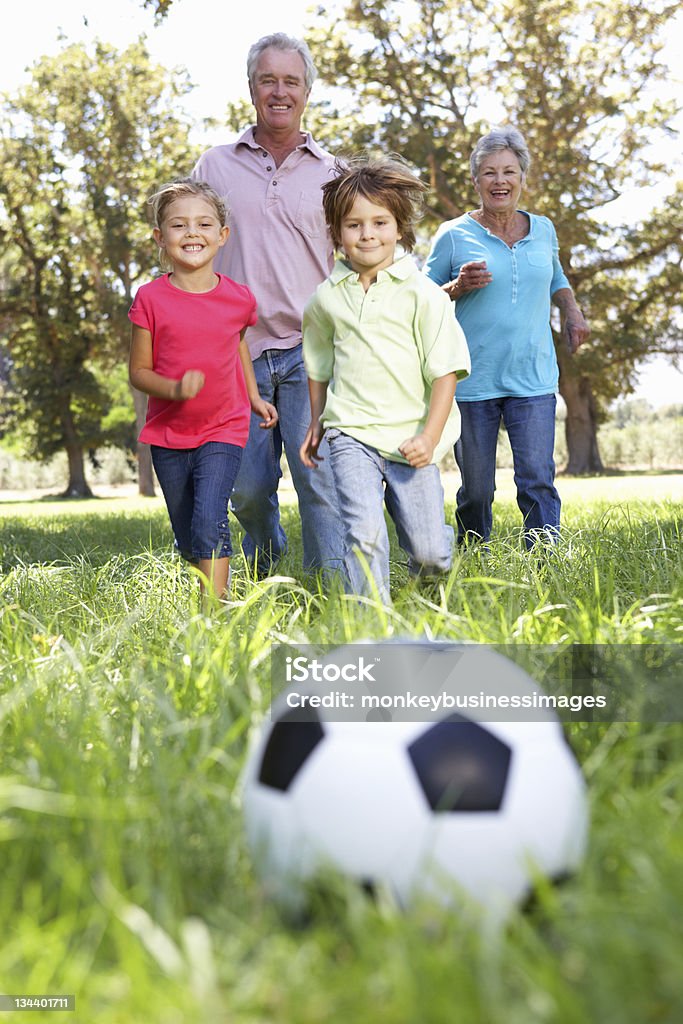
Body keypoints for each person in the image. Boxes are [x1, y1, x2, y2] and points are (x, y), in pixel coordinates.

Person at [191, 33, 343, 577]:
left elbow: (355, 260)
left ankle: (336, 598)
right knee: (249, 489)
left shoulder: (333, 173)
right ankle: (268, 555)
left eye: (291, 82)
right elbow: (191, 249)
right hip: (238, 354)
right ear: (251, 87)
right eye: (268, 80)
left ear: (307, 91)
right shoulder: (213, 166)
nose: (280, 91)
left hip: (313, 350)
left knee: (318, 481)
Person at [300, 157, 471, 603]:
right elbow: (318, 365)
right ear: (337, 233)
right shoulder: (325, 298)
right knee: (365, 535)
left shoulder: (425, 295)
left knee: (430, 551)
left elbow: (445, 371)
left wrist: (430, 437)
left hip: (410, 438)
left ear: (400, 229)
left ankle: (428, 589)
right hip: (350, 432)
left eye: (380, 222)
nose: (367, 234)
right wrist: (318, 423)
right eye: (354, 225)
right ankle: (372, 626)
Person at [424, 126, 590, 548]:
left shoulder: (544, 229)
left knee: (537, 478)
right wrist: (457, 287)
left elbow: (556, 275)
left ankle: (545, 560)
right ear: (476, 181)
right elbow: (421, 300)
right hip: (471, 378)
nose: (500, 181)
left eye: (509, 171)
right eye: (489, 172)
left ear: (522, 178)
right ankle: (473, 554)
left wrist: (571, 308)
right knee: (476, 489)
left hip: (532, 376)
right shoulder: (452, 234)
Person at [128, 179, 278, 601]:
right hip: (168, 435)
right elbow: (138, 372)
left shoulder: (239, 299)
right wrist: (173, 388)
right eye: (179, 225)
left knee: (209, 518)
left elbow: (238, 348)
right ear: (161, 237)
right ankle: (208, 589)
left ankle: (216, 609)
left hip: (224, 427)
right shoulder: (150, 299)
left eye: (204, 224)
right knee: (187, 532)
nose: (192, 233)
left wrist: (253, 398)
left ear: (222, 236)